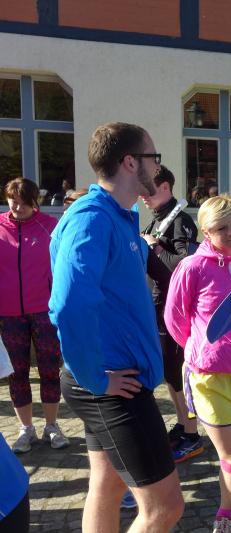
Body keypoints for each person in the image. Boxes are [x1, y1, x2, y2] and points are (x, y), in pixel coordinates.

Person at [49, 122, 184, 532]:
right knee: (165, 508)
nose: (157, 168)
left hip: (112, 379)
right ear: (130, 162)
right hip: (112, 386)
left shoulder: (119, 216)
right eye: (153, 158)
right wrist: (96, 378)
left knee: (107, 486)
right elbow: (68, 304)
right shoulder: (91, 219)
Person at [165, 195, 231, 533]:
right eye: (221, 228)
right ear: (206, 232)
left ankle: (224, 510)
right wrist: (203, 349)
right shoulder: (192, 267)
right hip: (210, 379)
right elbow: (175, 319)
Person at [0, 177, 69, 454]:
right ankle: (25, 428)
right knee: (16, 373)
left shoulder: (49, 226)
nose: (16, 207)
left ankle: (51, 425)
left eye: (22, 202)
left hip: (44, 310)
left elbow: (63, 266)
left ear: (34, 201)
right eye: (12, 201)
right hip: (8, 314)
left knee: (50, 369)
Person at [140, 165, 203, 463]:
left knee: (179, 374)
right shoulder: (158, 218)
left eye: (147, 189)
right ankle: (182, 423)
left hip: (174, 309)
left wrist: (153, 248)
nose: (142, 195)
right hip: (158, 305)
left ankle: (192, 434)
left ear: (165, 186)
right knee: (169, 373)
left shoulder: (180, 220)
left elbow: (184, 265)